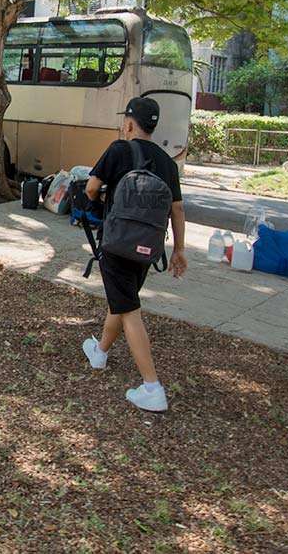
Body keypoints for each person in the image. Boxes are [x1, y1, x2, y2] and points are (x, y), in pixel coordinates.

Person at [82, 97, 186, 413]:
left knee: (130, 310)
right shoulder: (168, 163)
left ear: (129, 122)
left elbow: (90, 188)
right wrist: (179, 249)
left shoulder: (119, 150)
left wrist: (102, 202)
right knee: (123, 298)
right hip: (146, 248)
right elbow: (177, 209)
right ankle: (99, 352)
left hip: (116, 243)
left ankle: (152, 387)